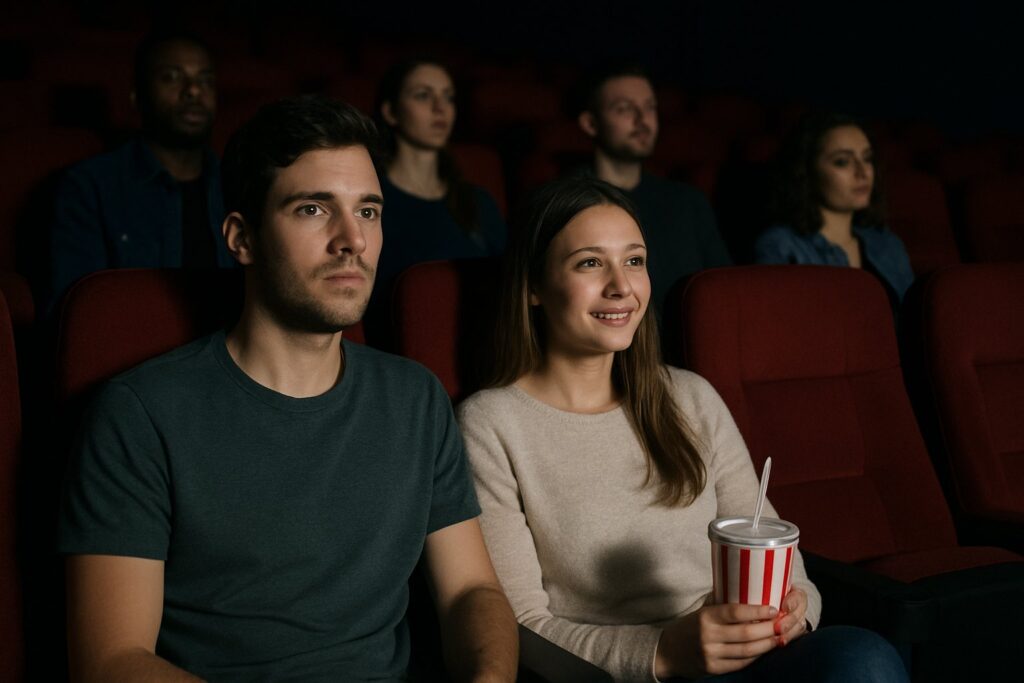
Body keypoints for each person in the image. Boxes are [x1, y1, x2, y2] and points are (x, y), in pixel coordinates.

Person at [58, 95, 518, 682]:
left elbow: (472, 592)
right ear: (241, 238)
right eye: (312, 210)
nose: (352, 238)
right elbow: (111, 661)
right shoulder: (140, 414)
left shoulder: (416, 399)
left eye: (369, 212)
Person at [457, 175, 909, 682]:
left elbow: (778, 551)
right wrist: (664, 653)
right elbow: (520, 626)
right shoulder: (492, 422)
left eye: (634, 261)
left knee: (863, 657)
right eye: (590, 262)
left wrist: (789, 616)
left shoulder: (690, 397)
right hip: (622, 673)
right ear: (534, 286)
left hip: (748, 660)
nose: (621, 286)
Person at [46, 28, 234, 313]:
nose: (194, 91)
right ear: (137, 96)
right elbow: (74, 315)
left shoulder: (238, 182)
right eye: (172, 77)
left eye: (205, 80)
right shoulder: (89, 186)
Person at [576, 64, 731, 321]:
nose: (642, 119)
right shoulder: (565, 200)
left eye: (649, 107)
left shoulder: (688, 201)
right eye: (624, 108)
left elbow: (723, 290)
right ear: (591, 123)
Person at [372, 57, 506, 297]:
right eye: (423, 95)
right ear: (391, 112)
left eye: (448, 97)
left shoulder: (477, 202)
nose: (440, 108)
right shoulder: (372, 201)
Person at [755, 113, 915, 307]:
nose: (862, 172)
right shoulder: (781, 245)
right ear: (807, 171)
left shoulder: (887, 242)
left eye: (867, 158)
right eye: (842, 162)